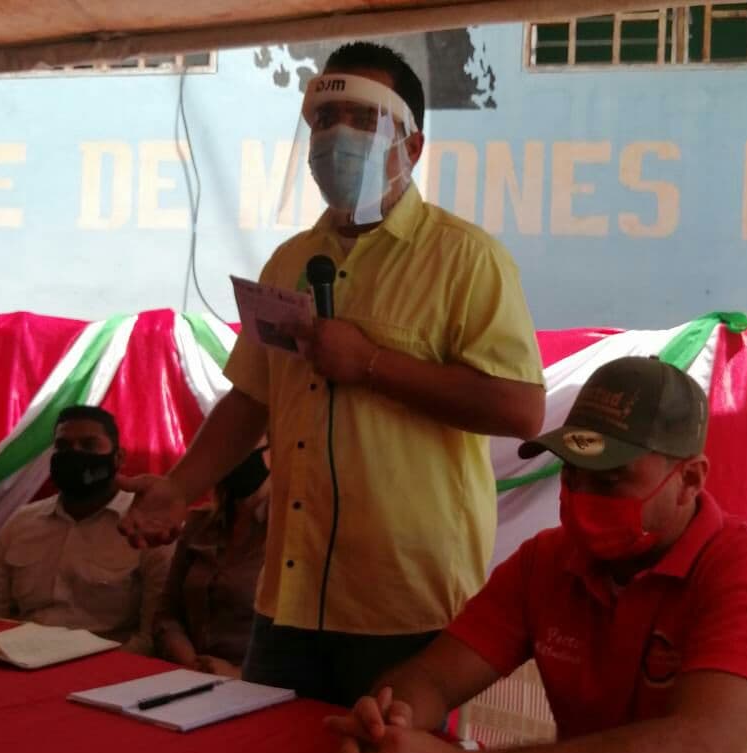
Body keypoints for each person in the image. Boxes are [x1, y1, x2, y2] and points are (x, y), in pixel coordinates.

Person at [118, 42, 545, 705]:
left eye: (363, 118)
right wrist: (179, 488)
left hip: (404, 603)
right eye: (324, 119)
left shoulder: (466, 260)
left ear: (412, 145)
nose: (337, 136)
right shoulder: (288, 261)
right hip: (289, 595)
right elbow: (251, 397)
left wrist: (370, 363)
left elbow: (520, 410)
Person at [328, 356, 747, 753]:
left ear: (689, 480)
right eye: (571, 474)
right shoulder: (546, 562)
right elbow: (434, 679)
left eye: (608, 481)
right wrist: (388, 727)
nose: (581, 498)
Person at [0, 405, 172, 653]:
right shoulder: (21, 523)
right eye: (63, 447)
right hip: (19, 659)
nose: (74, 454)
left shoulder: (145, 527)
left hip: (107, 665)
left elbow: (152, 636)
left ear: (119, 457)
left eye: (89, 445)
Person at [152, 445, 270, 677]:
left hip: (258, 683)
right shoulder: (199, 524)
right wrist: (192, 662)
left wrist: (238, 673)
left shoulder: (292, 536)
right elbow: (167, 614)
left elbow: (304, 645)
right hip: (190, 674)